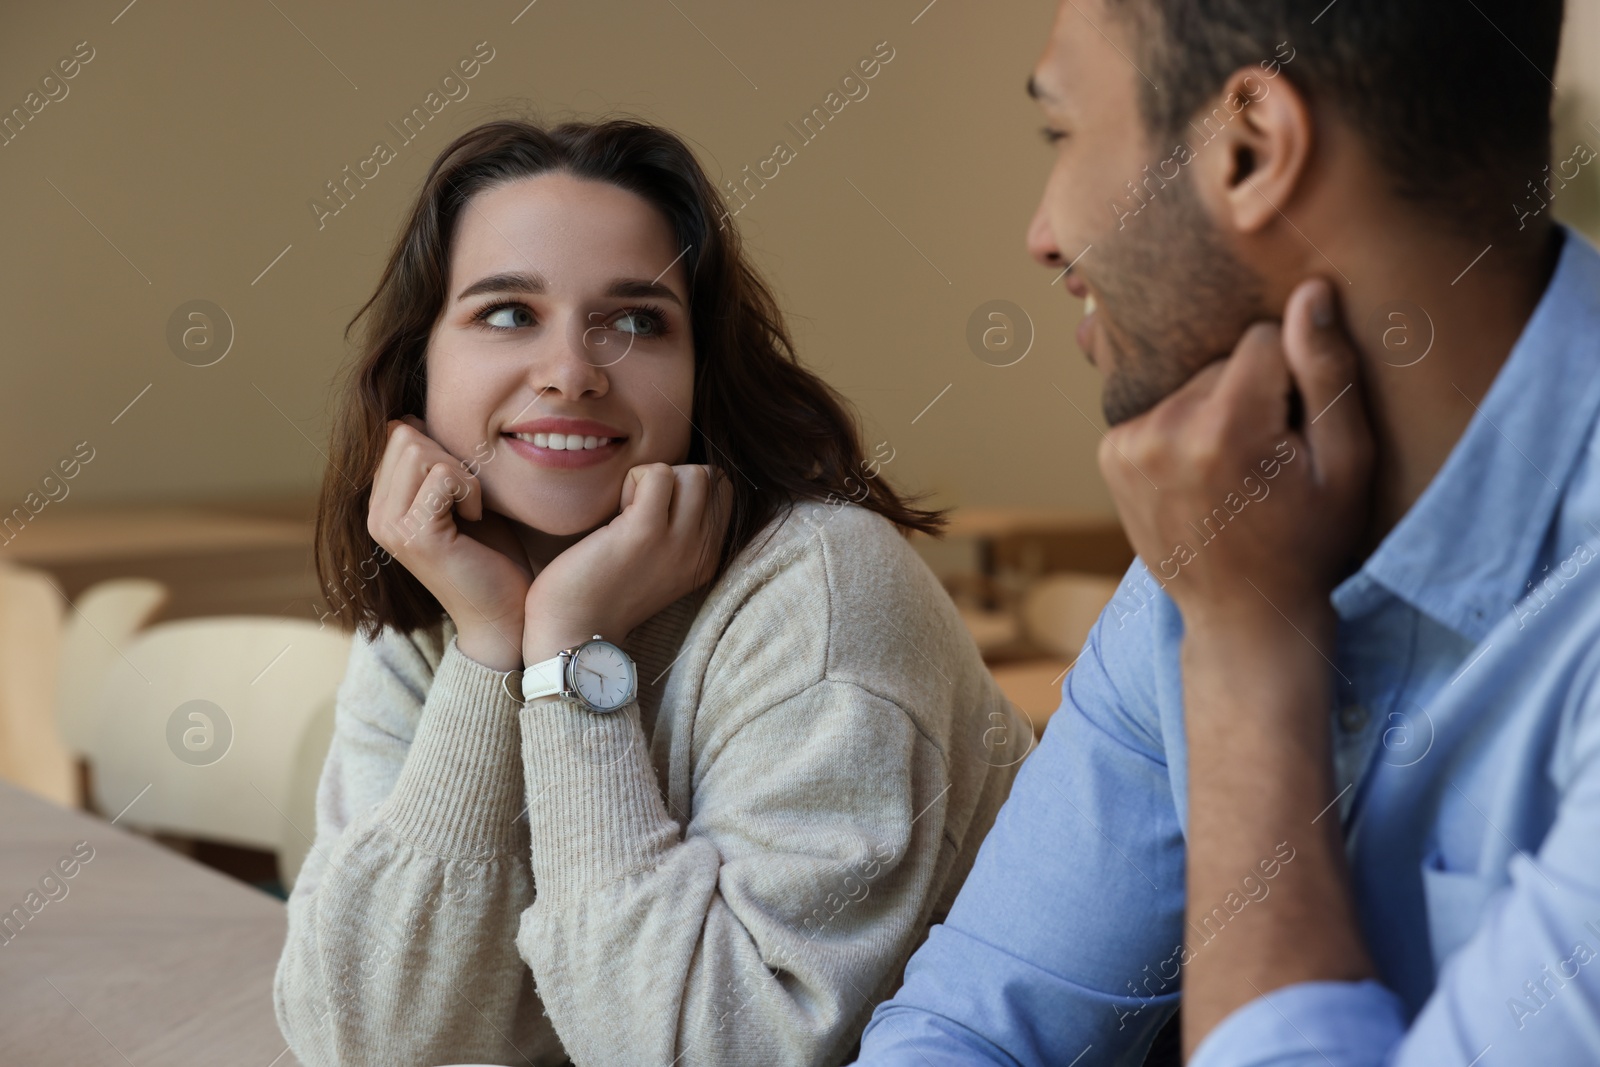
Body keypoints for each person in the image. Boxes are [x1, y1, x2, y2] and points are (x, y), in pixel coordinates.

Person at [855, 1, 1600, 1064]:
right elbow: (964, 1030)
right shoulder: (1229, 513)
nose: (1043, 235)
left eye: (1059, 134)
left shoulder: (1225, 576)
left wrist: (1249, 653)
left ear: (1249, 150)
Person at [273, 118, 1024, 1067]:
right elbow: (369, 1040)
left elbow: (718, 1050)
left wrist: (570, 654)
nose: (571, 373)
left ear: (703, 369)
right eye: (508, 312)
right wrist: (493, 644)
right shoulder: (448, 592)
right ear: (420, 364)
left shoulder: (827, 588)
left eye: (634, 321)